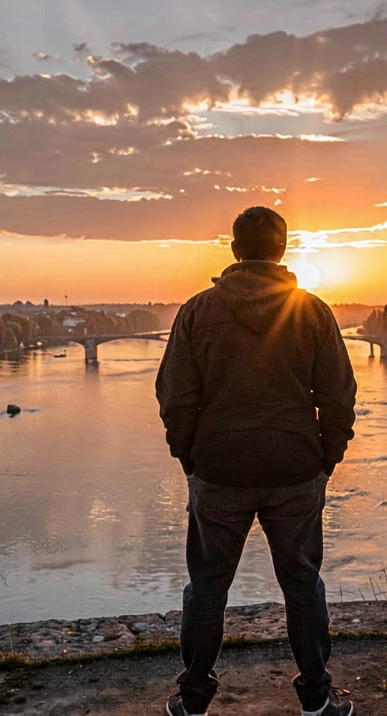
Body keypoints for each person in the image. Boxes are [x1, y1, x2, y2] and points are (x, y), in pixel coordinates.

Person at [156, 206, 358, 716]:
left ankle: (193, 699)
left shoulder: (198, 310)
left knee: (207, 586)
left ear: (234, 250)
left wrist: (192, 458)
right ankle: (317, 699)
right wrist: (324, 458)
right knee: (302, 584)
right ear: (284, 250)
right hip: (294, 468)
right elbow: (338, 396)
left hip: (219, 468)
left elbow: (175, 396)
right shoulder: (312, 312)